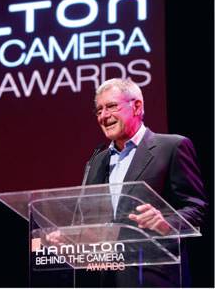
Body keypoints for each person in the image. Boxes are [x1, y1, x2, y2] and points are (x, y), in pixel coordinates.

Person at [79, 78, 207, 288]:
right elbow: (87, 217)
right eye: (99, 110)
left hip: (154, 276)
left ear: (137, 106)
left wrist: (167, 223)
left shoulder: (172, 147)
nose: (103, 116)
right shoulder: (97, 159)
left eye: (111, 106)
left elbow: (196, 208)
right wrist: (70, 237)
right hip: (105, 278)